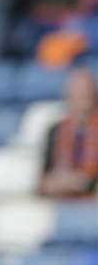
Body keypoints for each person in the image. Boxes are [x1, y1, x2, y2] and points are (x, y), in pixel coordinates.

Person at [40, 67, 98, 200]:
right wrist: (56, 183)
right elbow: (44, 177)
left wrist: (83, 183)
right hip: (59, 202)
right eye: (76, 93)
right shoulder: (55, 131)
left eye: (85, 93)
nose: (81, 99)